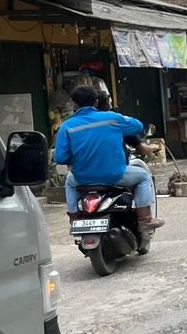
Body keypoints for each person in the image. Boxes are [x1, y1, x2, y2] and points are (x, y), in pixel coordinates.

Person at [54, 86, 162, 228]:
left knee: (69, 183)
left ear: (74, 104)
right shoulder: (112, 119)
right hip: (114, 175)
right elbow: (138, 126)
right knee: (144, 176)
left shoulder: (66, 126)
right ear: (96, 101)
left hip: (82, 178)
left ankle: (74, 219)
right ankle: (145, 219)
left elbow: (60, 158)